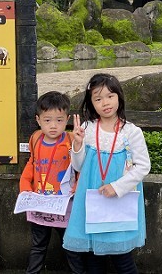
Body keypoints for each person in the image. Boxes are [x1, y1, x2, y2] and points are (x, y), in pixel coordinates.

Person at [62, 73, 151, 274]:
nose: (105, 103)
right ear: (91, 103)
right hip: (92, 198)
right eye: (98, 98)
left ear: (119, 97)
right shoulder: (87, 129)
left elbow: (143, 166)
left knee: (123, 259)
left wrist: (117, 187)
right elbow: (78, 166)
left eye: (110, 96)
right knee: (93, 258)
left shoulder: (131, 132)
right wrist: (77, 144)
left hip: (120, 200)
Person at [19, 91, 85, 274]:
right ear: (38, 120)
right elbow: (32, 164)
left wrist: (78, 185)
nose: (53, 126)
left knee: (71, 246)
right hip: (39, 203)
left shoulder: (71, 140)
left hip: (65, 204)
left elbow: (80, 166)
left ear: (67, 119)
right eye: (47, 120)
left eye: (59, 120)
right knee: (38, 245)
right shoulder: (35, 139)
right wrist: (25, 188)